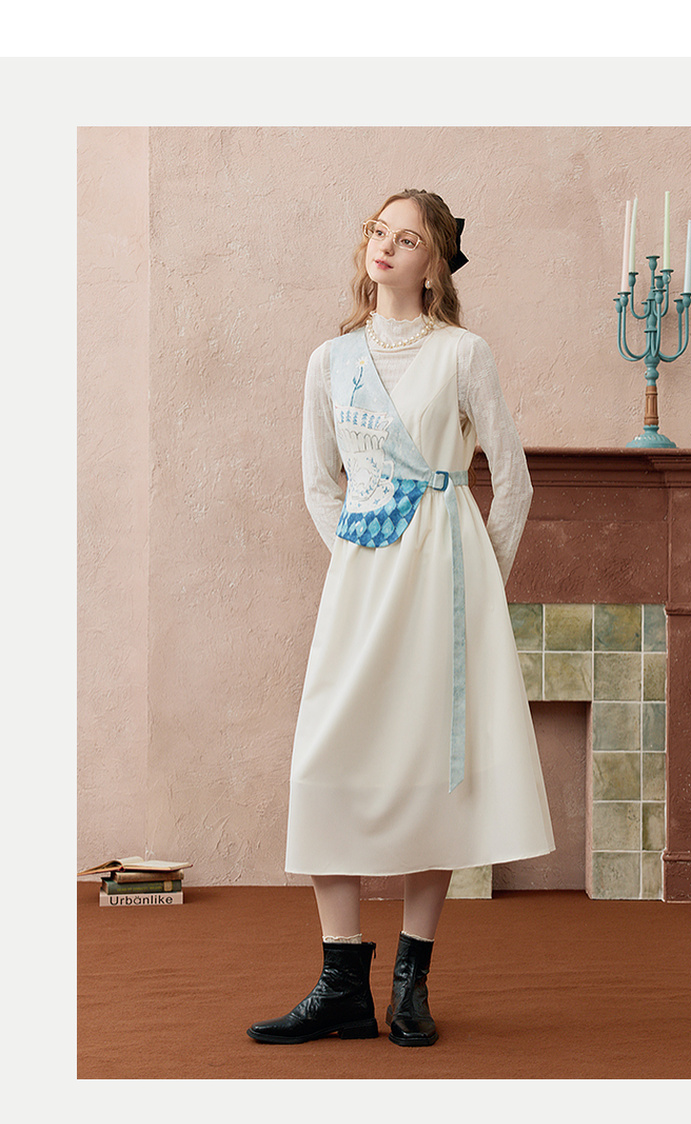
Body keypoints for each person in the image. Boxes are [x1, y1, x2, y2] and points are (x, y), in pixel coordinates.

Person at [248, 189, 554, 1048]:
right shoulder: (330, 361)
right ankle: (341, 982)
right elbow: (320, 482)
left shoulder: (463, 354)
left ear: (435, 264)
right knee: (328, 755)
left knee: (430, 765)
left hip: (443, 586)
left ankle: (411, 983)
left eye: (407, 238)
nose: (385, 246)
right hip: (363, 584)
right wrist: (361, 553)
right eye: (379, 231)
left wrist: (477, 579)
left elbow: (514, 481)